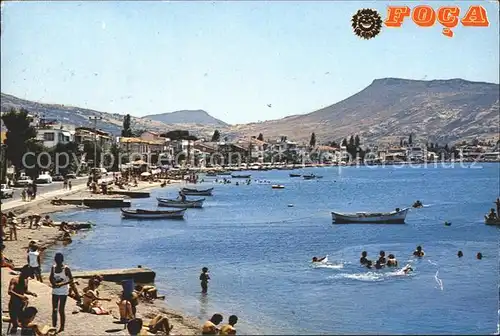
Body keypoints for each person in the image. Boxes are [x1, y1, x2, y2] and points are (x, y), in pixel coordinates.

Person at [8, 265, 38, 333]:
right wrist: (20, 296)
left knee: (23, 321)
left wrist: (31, 293)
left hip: (22, 305)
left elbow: (25, 290)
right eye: (27, 275)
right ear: (23, 272)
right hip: (14, 305)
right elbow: (10, 291)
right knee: (15, 324)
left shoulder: (26, 280)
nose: (28, 277)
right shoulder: (14, 280)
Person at [49, 253, 74, 333]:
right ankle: (54, 326)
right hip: (55, 290)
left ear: (62, 260)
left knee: (61, 310)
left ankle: (62, 326)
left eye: (59, 260)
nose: (58, 262)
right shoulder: (53, 268)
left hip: (63, 291)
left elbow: (71, 280)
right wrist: (53, 283)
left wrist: (61, 284)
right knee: (54, 309)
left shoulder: (66, 269)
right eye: (56, 260)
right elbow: (51, 277)